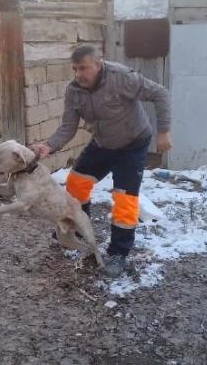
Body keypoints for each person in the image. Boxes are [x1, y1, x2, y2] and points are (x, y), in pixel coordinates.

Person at [31, 45, 172, 278]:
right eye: (74, 69)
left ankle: (118, 253)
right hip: (102, 145)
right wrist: (49, 146)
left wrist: (163, 131)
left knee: (124, 199)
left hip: (132, 145)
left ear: (98, 65)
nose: (78, 74)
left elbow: (160, 93)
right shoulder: (74, 91)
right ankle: (75, 229)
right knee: (75, 183)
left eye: (83, 68)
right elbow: (68, 127)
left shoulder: (120, 77)